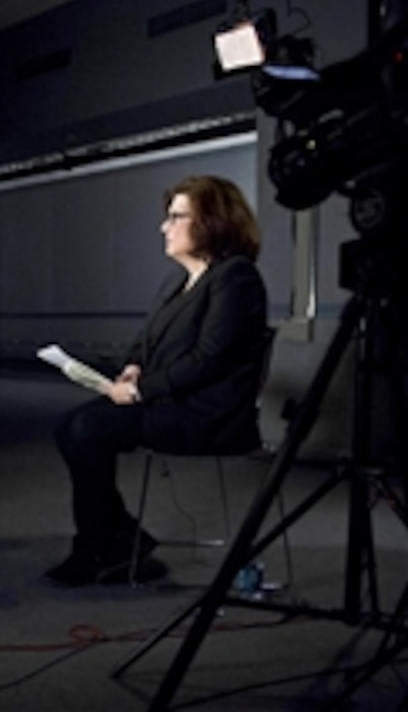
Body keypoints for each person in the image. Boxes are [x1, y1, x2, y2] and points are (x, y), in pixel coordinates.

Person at [47, 175, 269, 587]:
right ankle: (121, 535)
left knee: (87, 428)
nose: (163, 227)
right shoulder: (177, 282)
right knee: (67, 426)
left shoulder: (236, 278)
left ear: (212, 222)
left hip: (207, 414)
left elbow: (209, 361)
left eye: (176, 217)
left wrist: (137, 390)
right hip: (170, 402)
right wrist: (133, 366)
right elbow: (146, 342)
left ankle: (98, 545)